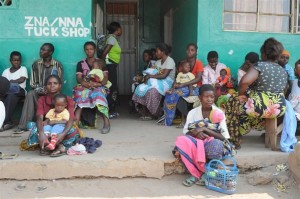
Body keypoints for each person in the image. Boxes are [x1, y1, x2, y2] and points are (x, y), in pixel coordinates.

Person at [225, 37, 287, 149]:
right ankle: (247, 127)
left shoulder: (260, 65)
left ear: (263, 53)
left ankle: (234, 135)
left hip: (260, 107)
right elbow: (284, 89)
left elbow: (244, 82)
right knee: (247, 102)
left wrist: (241, 95)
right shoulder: (283, 70)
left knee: (233, 100)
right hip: (279, 108)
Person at [174, 84, 230, 186]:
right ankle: (196, 172)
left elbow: (223, 137)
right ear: (200, 98)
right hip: (196, 143)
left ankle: (206, 172)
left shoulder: (218, 113)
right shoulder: (193, 113)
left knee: (216, 145)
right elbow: (186, 132)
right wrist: (196, 132)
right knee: (182, 141)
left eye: (212, 97)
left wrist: (205, 129)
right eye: (206, 97)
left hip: (211, 144)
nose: (209, 100)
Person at [15, 43, 63, 134]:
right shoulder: (36, 64)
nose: (41, 51)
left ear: (51, 52)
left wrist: (49, 90)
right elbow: (33, 83)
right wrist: (41, 90)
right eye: (41, 49)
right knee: (30, 94)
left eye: (44, 50)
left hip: (53, 94)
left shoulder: (57, 65)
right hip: (40, 93)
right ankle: (24, 125)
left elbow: (59, 83)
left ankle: (52, 122)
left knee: (58, 96)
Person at [32, 75, 79, 156]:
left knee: (74, 132)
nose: (52, 85)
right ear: (45, 86)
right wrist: (41, 133)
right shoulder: (42, 100)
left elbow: (70, 119)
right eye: (49, 83)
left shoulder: (68, 100)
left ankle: (51, 146)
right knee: (33, 128)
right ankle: (57, 146)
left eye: (55, 83)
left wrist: (63, 134)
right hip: (47, 128)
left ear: (60, 86)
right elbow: (39, 117)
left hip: (62, 127)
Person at [162, 43, 204, 127]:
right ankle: (168, 119)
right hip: (183, 87)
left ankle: (184, 120)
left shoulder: (199, 63)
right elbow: (178, 77)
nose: (189, 52)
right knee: (170, 94)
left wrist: (183, 84)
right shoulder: (183, 63)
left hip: (195, 88)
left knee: (177, 93)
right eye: (188, 50)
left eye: (192, 50)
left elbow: (198, 78)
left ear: (196, 52)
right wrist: (172, 88)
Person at [73, 41, 110, 134]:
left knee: (99, 95)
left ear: (95, 50)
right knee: (79, 94)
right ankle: (76, 124)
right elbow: (78, 78)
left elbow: (105, 77)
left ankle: (106, 123)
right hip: (85, 86)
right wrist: (84, 83)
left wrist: (100, 84)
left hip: (98, 85)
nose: (89, 51)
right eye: (87, 49)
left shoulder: (100, 62)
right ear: (84, 51)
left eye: (91, 49)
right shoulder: (81, 63)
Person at [132, 43, 175, 120]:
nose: (156, 53)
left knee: (152, 91)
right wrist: (146, 76)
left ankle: (156, 113)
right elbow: (153, 71)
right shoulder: (158, 62)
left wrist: (150, 76)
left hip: (167, 83)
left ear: (163, 52)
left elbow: (164, 75)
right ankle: (145, 112)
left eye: (157, 51)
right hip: (158, 81)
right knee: (141, 88)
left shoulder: (170, 61)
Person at [164, 61, 198, 126]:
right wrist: (173, 88)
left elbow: (192, 83)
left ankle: (185, 119)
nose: (188, 68)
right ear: (182, 68)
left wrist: (190, 90)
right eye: (186, 66)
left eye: (189, 67)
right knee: (169, 95)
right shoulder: (180, 74)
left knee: (178, 94)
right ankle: (168, 118)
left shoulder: (190, 74)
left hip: (189, 87)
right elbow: (177, 82)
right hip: (181, 88)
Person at [0, 51, 28, 131]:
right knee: (10, 96)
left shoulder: (23, 69)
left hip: (20, 90)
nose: (16, 62)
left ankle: (4, 122)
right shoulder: (6, 71)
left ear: (21, 61)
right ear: (10, 60)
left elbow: (22, 79)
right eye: (14, 60)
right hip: (8, 92)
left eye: (18, 60)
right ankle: (8, 122)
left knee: (12, 91)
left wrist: (11, 81)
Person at [101, 22, 122, 118]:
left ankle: (109, 109)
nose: (121, 31)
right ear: (117, 29)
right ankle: (110, 111)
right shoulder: (112, 39)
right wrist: (104, 67)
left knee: (110, 87)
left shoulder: (110, 37)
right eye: (120, 29)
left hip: (110, 66)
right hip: (109, 66)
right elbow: (104, 53)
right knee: (111, 88)